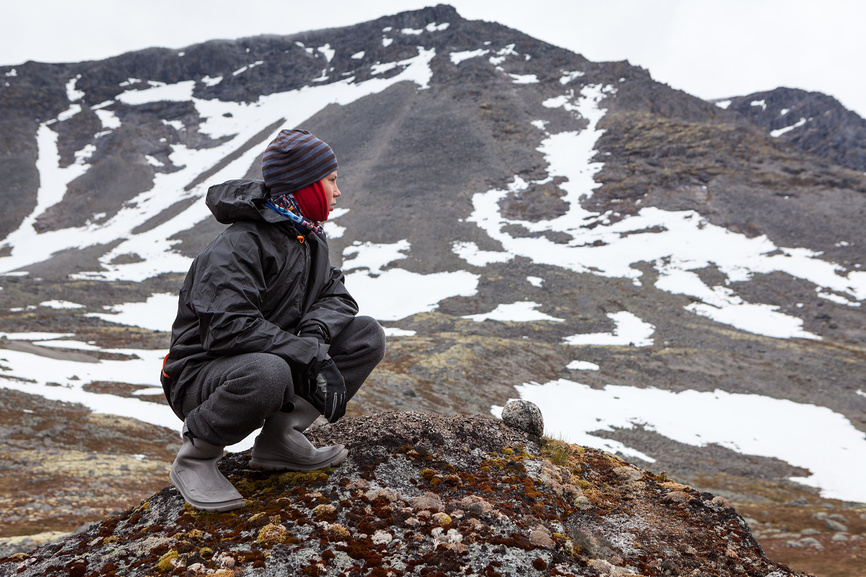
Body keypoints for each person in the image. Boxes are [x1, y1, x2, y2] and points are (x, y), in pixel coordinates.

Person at [160, 129, 386, 511]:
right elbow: (227, 330)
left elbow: (337, 295)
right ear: (305, 186)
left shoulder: (306, 237)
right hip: (203, 376)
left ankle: (280, 439)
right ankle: (196, 458)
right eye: (331, 180)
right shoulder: (239, 245)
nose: (338, 191)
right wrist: (308, 353)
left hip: (272, 358)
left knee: (366, 335)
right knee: (270, 371)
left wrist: (315, 338)